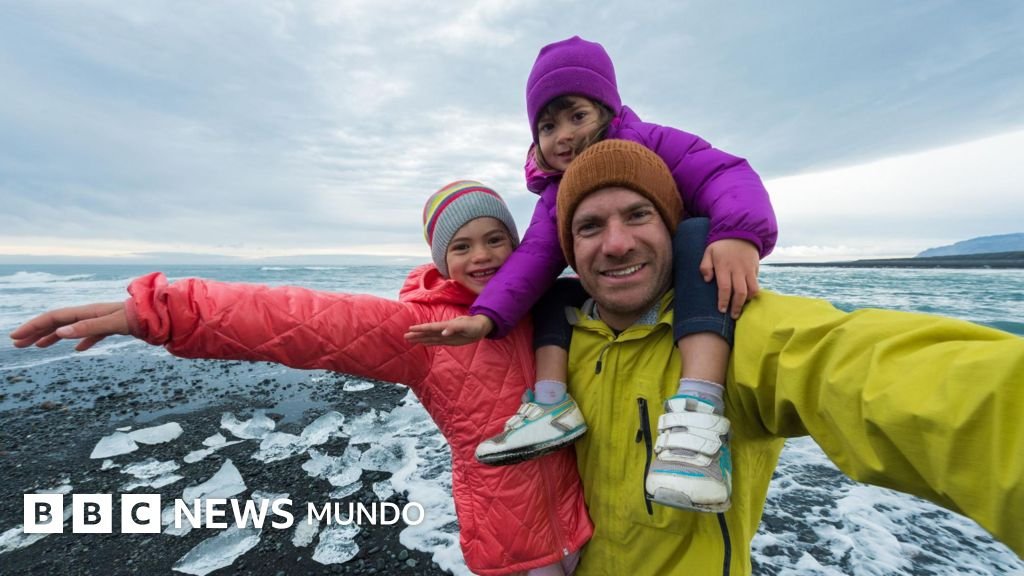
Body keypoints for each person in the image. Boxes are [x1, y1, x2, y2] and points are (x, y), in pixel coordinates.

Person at [8, 181, 592, 576]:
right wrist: (163, 312)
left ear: (520, 245)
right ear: (441, 260)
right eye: (461, 246)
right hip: (510, 533)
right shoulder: (421, 331)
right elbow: (300, 322)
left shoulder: (548, 306)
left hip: (587, 516)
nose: (482, 255)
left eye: (496, 239)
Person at [550, 138, 1023, 574]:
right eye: (589, 226)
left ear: (672, 228)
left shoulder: (733, 327)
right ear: (570, 249)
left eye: (638, 215)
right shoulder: (551, 349)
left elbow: (864, 368)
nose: (617, 244)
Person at [408, 36, 778, 514]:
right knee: (553, 289)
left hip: (688, 278)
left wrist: (739, 235)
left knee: (696, 233)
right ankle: (551, 402)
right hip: (620, 290)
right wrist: (486, 316)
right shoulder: (556, 192)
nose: (563, 135)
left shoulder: (653, 142)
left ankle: (699, 407)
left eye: (577, 116)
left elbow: (723, 174)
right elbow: (533, 257)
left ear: (607, 109)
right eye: (547, 126)